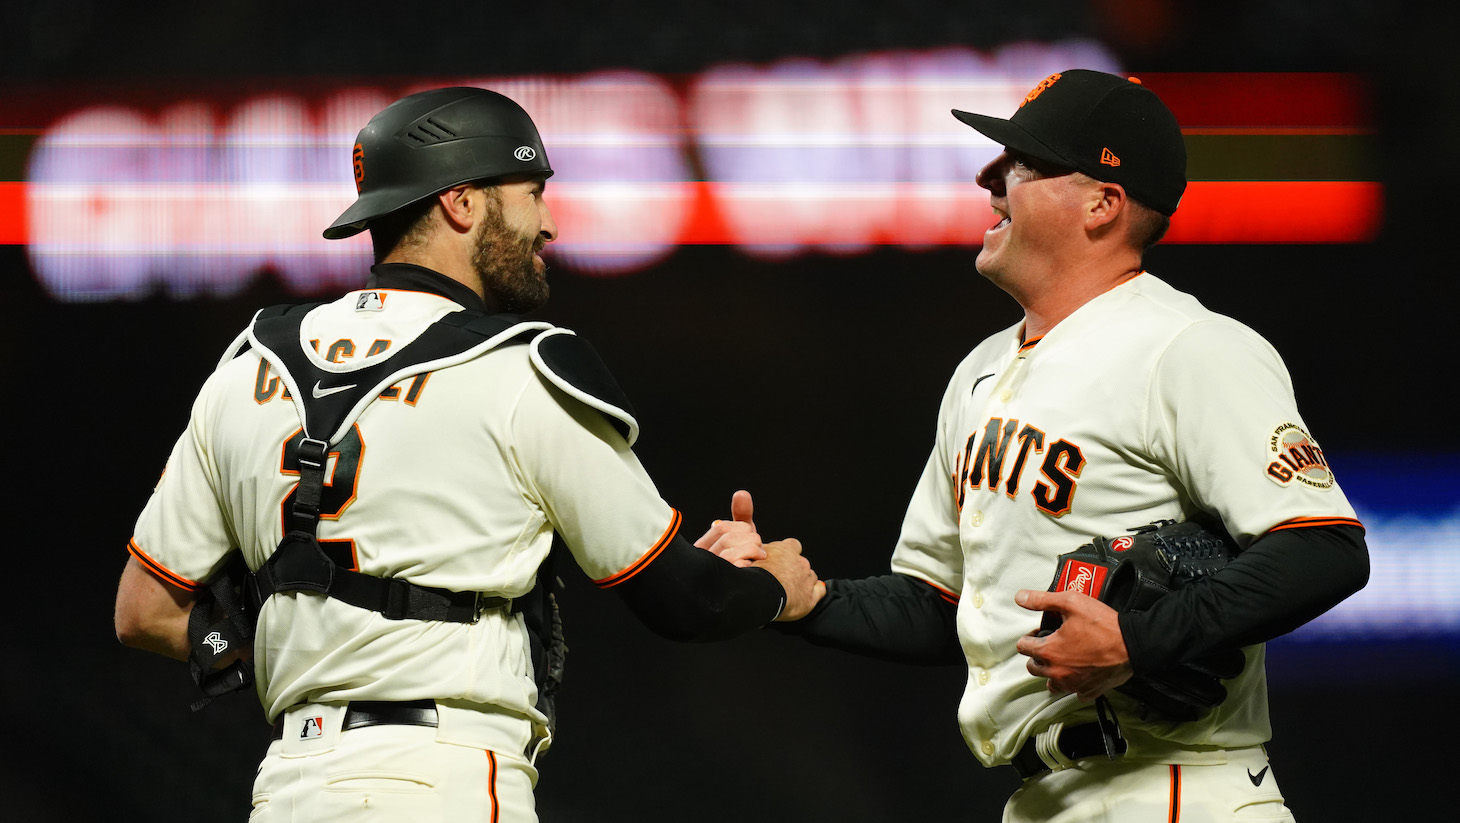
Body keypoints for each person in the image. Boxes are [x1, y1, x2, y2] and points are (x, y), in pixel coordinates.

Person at [113, 86, 821, 823]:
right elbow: (684, 598)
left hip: (288, 786)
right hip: (436, 779)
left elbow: (144, 608)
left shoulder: (246, 366)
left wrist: (286, 640)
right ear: (461, 203)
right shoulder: (521, 369)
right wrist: (779, 588)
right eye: (532, 191)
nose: (548, 223)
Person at [701, 70, 1369, 821]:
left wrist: (1142, 638)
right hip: (1042, 795)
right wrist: (808, 600)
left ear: (1103, 204)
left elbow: (1324, 547)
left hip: (1175, 784)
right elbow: (941, 604)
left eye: (1022, 162)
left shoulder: (1190, 347)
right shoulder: (981, 371)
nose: (990, 177)